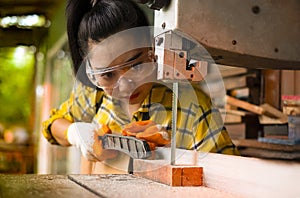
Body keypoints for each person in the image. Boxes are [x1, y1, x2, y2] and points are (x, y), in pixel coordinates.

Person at [42, 0, 239, 174]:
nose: (126, 85)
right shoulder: (93, 96)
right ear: (92, 74)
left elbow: (228, 175)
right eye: (109, 75)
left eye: (136, 65)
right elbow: (52, 126)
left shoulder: (191, 106)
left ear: (152, 51)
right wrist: (74, 133)